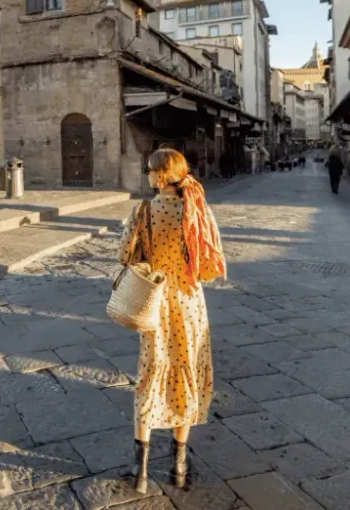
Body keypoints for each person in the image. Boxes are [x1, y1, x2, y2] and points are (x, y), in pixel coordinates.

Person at [118, 148, 226, 491]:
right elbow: (209, 267)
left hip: (156, 305)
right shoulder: (197, 209)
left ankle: (141, 473)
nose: (146, 174)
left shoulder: (143, 210)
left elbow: (125, 256)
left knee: (150, 376)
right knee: (186, 373)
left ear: (161, 176)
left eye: (149, 170)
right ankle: (179, 466)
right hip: (190, 304)